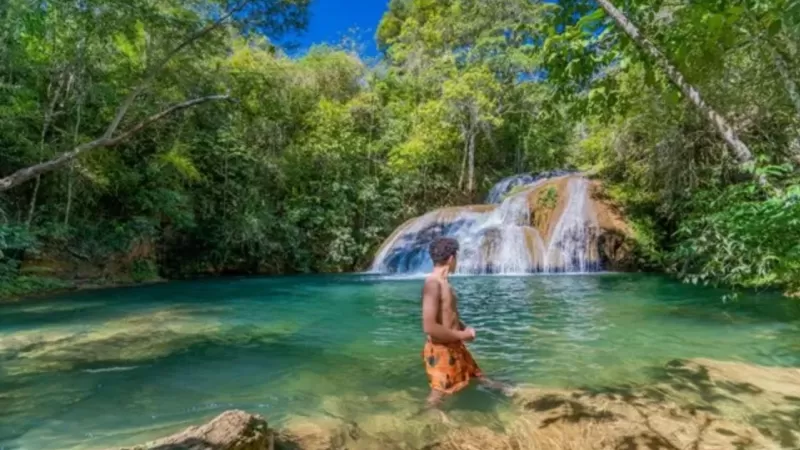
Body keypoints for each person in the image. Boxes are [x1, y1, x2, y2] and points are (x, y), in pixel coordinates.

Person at [421, 236, 507, 408]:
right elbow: (429, 326)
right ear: (452, 258)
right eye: (457, 258)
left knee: (476, 376)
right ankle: (427, 421)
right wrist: (463, 334)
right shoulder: (433, 284)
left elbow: (448, 314)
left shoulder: (445, 283)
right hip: (441, 350)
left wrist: (463, 327)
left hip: (455, 345)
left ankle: (508, 391)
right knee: (438, 394)